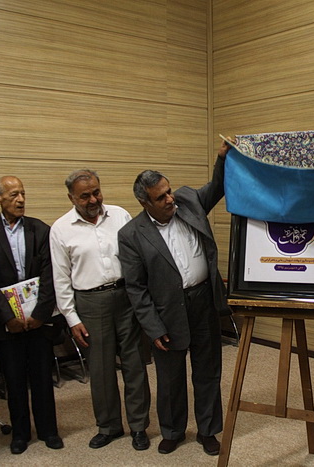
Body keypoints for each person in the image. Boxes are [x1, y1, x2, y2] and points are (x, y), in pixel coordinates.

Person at [118, 140, 231, 456]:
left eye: (168, 191)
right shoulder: (131, 235)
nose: (170, 199)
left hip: (203, 301)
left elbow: (217, 187)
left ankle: (208, 430)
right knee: (170, 378)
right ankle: (172, 431)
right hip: (166, 311)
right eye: (161, 197)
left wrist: (221, 159)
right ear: (144, 202)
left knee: (207, 371)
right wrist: (153, 327)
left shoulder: (189, 200)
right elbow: (136, 288)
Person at [49, 169, 151, 451]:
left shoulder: (120, 215)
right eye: (85, 196)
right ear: (71, 198)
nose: (93, 199)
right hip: (90, 303)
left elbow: (138, 257)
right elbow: (61, 278)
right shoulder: (61, 229)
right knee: (101, 369)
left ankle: (139, 426)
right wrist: (71, 318)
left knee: (134, 366)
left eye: (96, 192)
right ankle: (109, 427)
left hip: (126, 297)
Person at [0, 176, 63, 455]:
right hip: (7, 324)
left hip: (38, 319)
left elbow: (49, 275)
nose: (21, 199)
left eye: (23, 193)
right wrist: (7, 318)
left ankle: (49, 431)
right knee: (13, 380)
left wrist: (40, 314)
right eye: (13, 194)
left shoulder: (40, 229)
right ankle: (20, 434)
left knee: (42, 377)